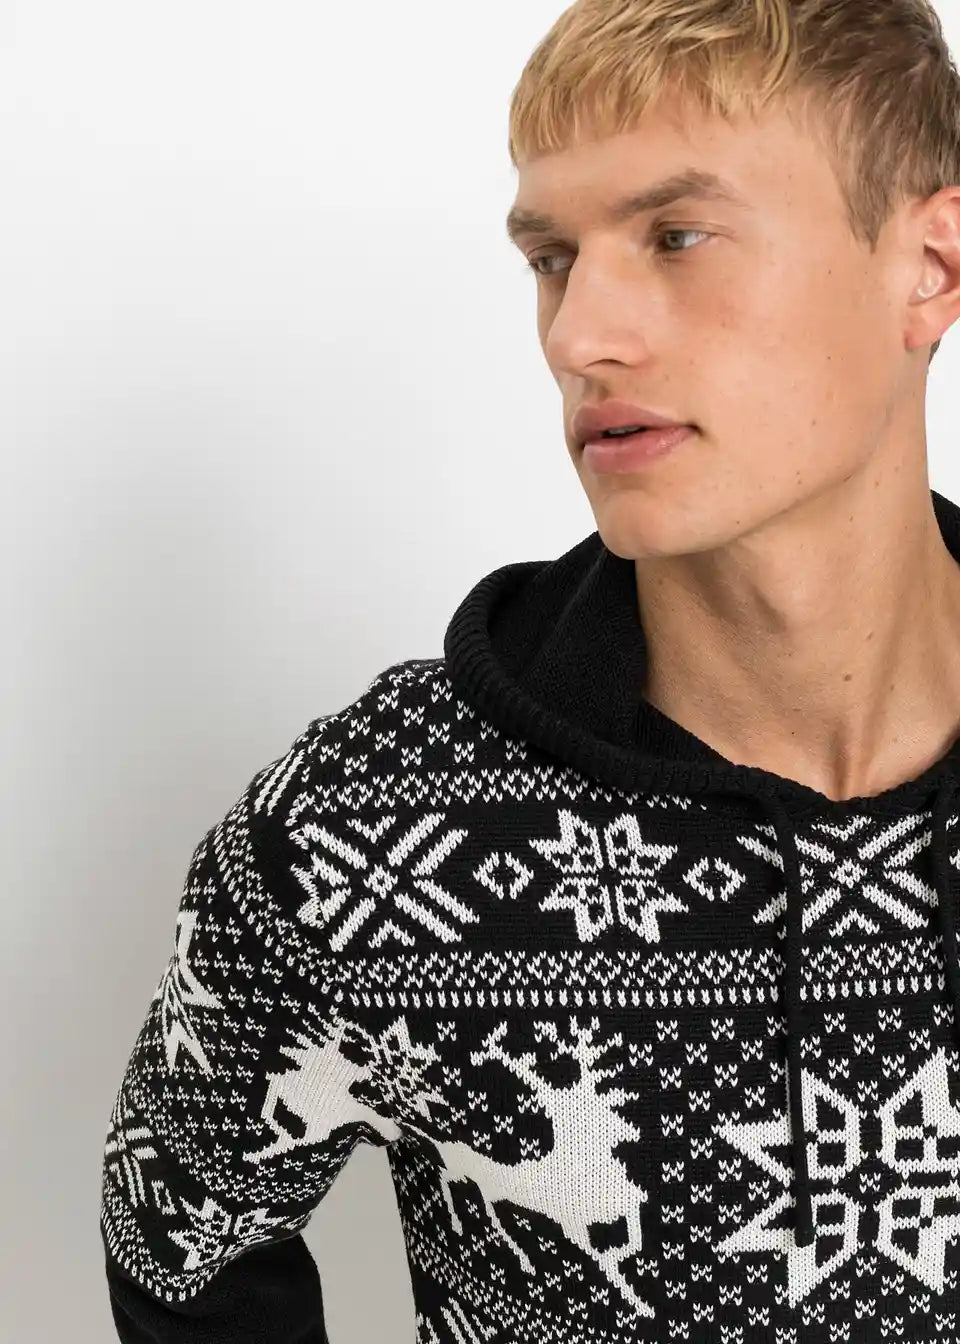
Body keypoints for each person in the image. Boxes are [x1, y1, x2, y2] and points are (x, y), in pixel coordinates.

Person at [99, 1, 960, 1339]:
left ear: (931, 266)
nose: (578, 336)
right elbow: (179, 1246)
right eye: (553, 259)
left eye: (677, 236)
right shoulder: (358, 833)